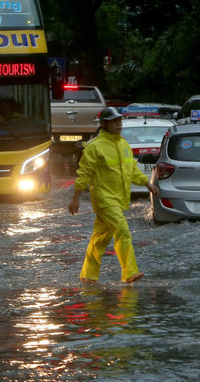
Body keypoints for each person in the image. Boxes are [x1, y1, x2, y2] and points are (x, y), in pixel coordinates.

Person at [68, 106, 159, 284]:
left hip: (118, 198)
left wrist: (147, 183)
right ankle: (129, 272)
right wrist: (76, 197)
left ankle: (88, 275)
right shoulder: (94, 147)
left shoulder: (123, 144)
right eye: (114, 121)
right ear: (104, 124)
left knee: (100, 239)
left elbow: (131, 168)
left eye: (120, 120)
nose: (119, 124)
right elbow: (84, 173)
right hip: (104, 198)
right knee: (123, 230)